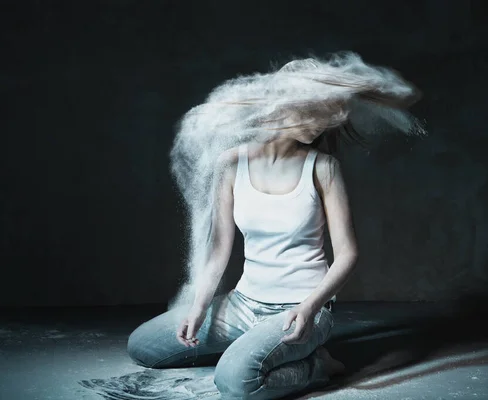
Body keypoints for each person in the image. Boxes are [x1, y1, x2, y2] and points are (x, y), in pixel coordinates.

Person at [127, 53, 423, 399]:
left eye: (330, 111)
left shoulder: (323, 167)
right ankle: (257, 347)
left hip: (301, 308)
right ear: (287, 103)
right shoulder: (231, 162)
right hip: (242, 304)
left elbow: (348, 254)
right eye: (318, 108)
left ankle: (317, 366)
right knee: (143, 346)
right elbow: (219, 249)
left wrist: (310, 308)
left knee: (236, 383)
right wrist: (198, 306)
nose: (326, 121)